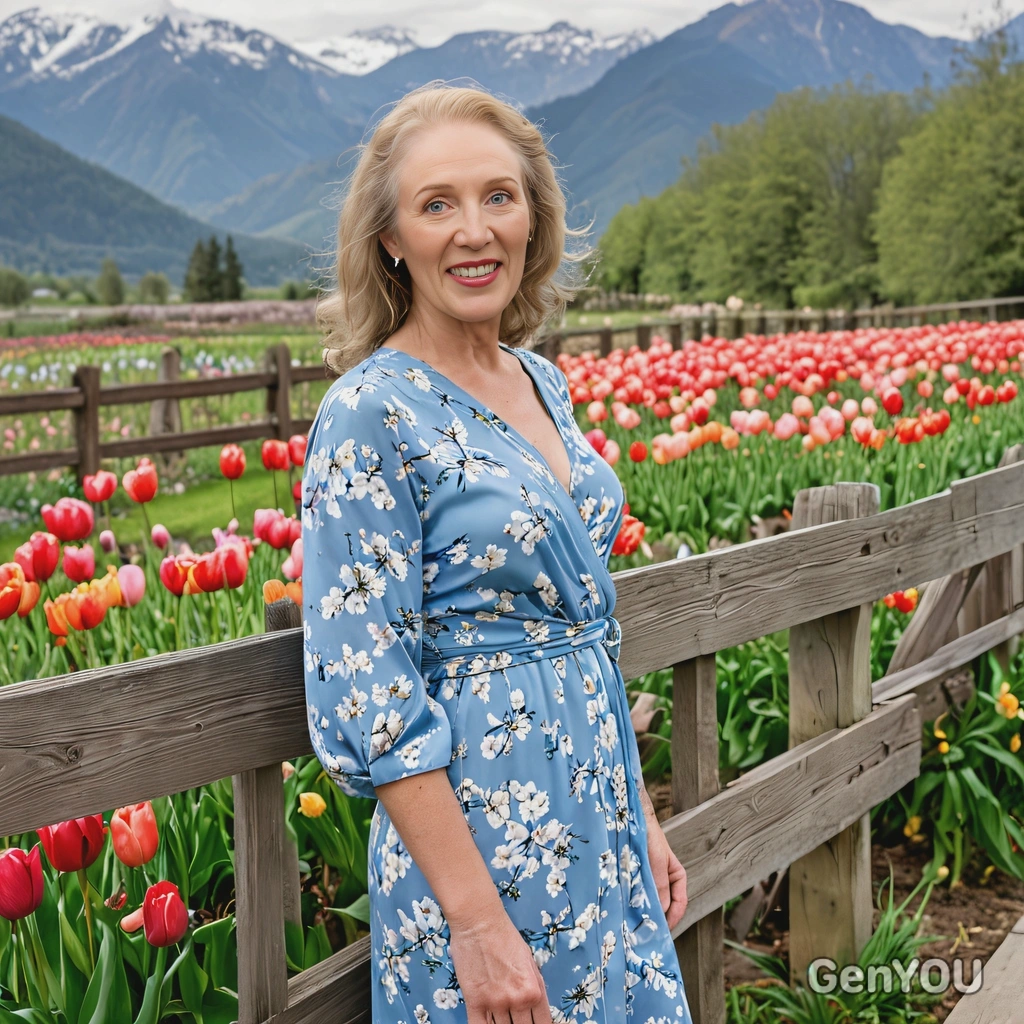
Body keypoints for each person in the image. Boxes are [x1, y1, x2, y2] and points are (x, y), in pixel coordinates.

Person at [301, 80, 693, 1024]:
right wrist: (475, 923)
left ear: (533, 217)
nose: (474, 230)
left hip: (597, 816)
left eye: (498, 197)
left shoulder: (541, 379)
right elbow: (369, 689)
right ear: (391, 238)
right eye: (437, 205)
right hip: (483, 846)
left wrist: (637, 813)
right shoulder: (369, 412)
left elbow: (584, 632)